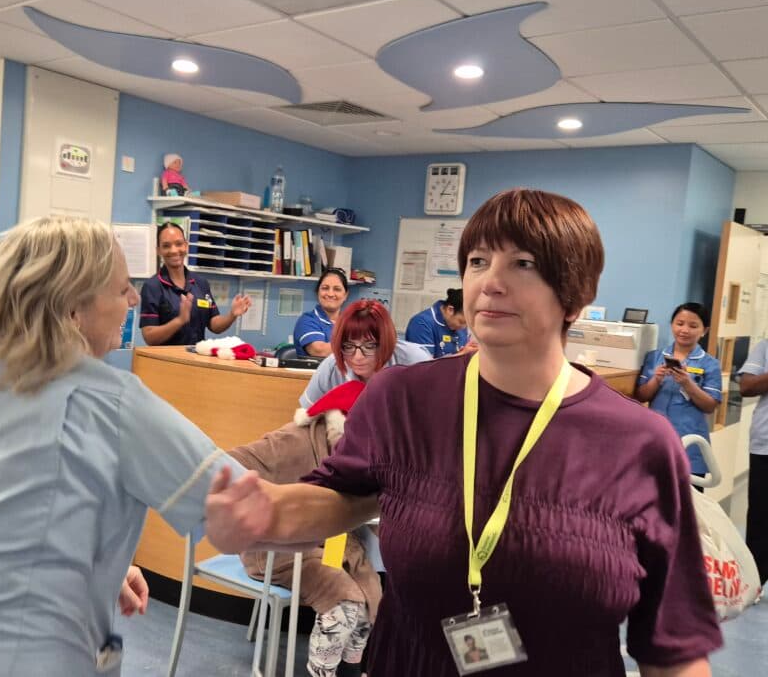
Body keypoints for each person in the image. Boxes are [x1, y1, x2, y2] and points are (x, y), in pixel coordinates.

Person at [204, 188, 721, 676]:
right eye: (478, 261)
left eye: (523, 263)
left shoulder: (639, 443)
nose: (490, 281)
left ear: (574, 295)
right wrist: (266, 511)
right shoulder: (401, 398)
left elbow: (672, 645)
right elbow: (345, 496)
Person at [0, 216, 257, 677]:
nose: (133, 300)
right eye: (121, 291)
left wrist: (99, 566)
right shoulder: (114, 404)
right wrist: (356, 488)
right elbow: (252, 510)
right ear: (73, 309)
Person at [230, 380, 381, 677]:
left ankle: (349, 671)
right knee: (345, 601)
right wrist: (269, 511)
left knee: (372, 595)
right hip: (277, 547)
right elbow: (229, 464)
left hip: (333, 539)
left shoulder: (359, 451)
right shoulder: (292, 440)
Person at [636, 303, 722, 481]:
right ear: (672, 325)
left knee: (689, 504)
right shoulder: (654, 357)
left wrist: (688, 383)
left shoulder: (710, 364)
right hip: (655, 440)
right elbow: (641, 396)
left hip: (690, 445)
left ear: (704, 330)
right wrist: (656, 379)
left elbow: (710, 405)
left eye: (693, 326)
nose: (684, 330)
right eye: (679, 323)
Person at [299, 299, 429, 408]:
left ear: (386, 341)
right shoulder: (331, 368)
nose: (358, 357)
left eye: (369, 346)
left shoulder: (415, 362)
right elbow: (306, 417)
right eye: (348, 346)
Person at [139, 222, 251, 345]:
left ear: (186, 246)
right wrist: (179, 321)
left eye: (179, 244)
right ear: (158, 251)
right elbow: (149, 336)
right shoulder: (152, 287)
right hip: (167, 362)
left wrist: (232, 315)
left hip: (196, 359)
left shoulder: (201, 283)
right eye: (166, 246)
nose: (174, 250)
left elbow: (214, 324)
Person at [738, 337, 768, 584]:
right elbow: (746, 387)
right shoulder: (765, 347)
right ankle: (755, 578)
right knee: (760, 513)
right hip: (765, 444)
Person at [293, 268, 350, 356]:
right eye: (325, 288)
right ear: (317, 292)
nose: (330, 294)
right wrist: (356, 346)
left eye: (337, 289)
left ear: (345, 295)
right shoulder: (307, 320)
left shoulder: (351, 322)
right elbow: (319, 350)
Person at [404, 287, 470, 358]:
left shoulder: (460, 326)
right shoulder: (421, 323)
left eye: (468, 323)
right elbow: (423, 365)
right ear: (450, 310)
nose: (463, 327)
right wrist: (461, 354)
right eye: (461, 322)